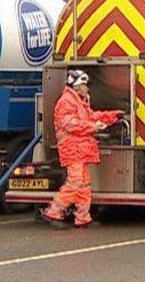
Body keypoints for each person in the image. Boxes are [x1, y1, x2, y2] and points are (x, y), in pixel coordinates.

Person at [41, 69, 122, 228]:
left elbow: (92, 116)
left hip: (81, 149)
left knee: (84, 184)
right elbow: (71, 124)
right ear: (77, 86)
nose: (87, 88)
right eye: (85, 85)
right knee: (76, 183)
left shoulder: (78, 102)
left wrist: (112, 116)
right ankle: (54, 211)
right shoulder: (66, 102)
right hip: (73, 149)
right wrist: (94, 126)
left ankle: (83, 217)